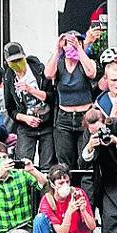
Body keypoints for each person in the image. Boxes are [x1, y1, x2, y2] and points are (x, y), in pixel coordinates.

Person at [33, 164, 98, 233]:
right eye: (61, 183)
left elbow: (92, 226)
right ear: (53, 185)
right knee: (39, 219)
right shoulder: (47, 200)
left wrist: (83, 210)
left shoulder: (78, 193)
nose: (65, 185)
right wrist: (70, 211)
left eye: (67, 182)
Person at [46, 31, 97, 168]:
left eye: (76, 43)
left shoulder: (87, 62)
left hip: (84, 116)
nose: (72, 47)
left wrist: (80, 49)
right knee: (64, 161)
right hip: (64, 117)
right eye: (69, 44)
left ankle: (86, 189)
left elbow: (91, 73)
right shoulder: (60, 64)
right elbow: (48, 74)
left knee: (85, 159)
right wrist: (57, 50)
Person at [2, 42, 54, 168]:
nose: (17, 64)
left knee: (47, 165)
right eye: (13, 61)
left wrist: (31, 90)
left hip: (47, 122)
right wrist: (25, 118)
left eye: (20, 59)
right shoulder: (9, 77)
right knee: (22, 164)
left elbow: (52, 97)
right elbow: (10, 109)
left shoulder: (39, 70)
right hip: (25, 126)